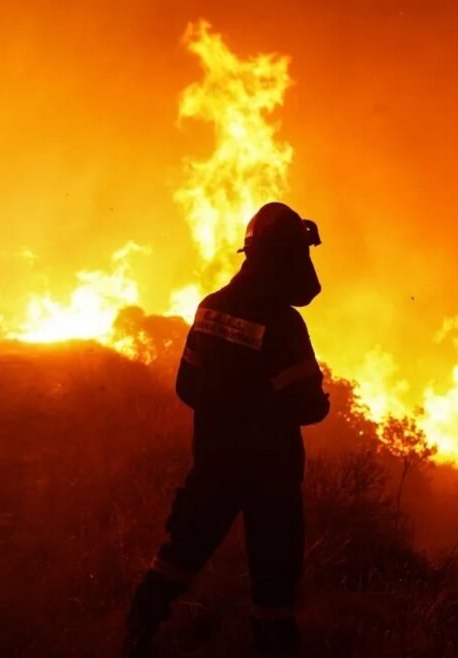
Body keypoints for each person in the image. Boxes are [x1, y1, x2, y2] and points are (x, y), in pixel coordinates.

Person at [123, 202, 330, 657]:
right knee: (274, 580)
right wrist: (272, 406)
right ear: (281, 257)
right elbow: (310, 406)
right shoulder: (283, 324)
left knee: (181, 553)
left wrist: (228, 410)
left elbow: (187, 386)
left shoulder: (210, 307)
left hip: (213, 463)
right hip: (270, 477)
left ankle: (134, 636)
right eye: (297, 254)